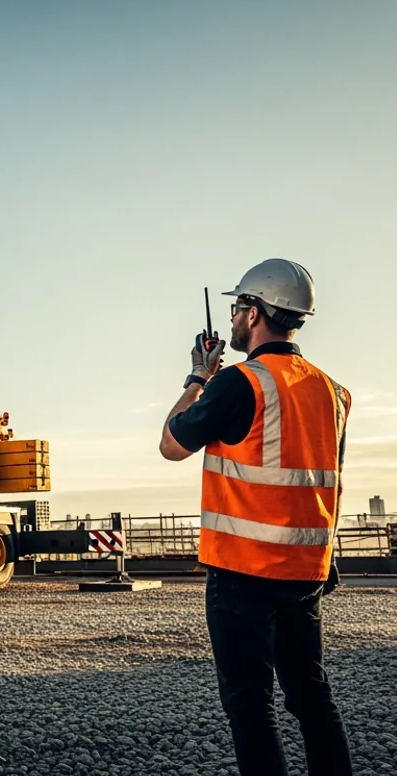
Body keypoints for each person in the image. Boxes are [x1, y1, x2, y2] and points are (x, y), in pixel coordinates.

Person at [158, 258, 353, 776]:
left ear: (254, 312)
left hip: (243, 572)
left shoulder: (240, 382)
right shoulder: (334, 392)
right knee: (311, 696)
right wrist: (327, 559)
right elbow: (331, 481)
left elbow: (172, 444)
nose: (233, 318)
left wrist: (199, 376)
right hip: (306, 572)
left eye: (237, 307)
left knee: (251, 707)